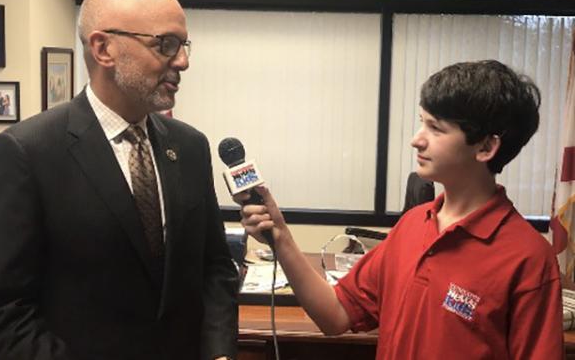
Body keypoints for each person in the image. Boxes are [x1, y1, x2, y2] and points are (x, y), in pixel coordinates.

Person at [0, 0, 238, 360]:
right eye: (166, 44)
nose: (182, 61)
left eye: (184, 45)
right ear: (104, 48)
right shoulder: (26, 153)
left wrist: (219, 353)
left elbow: (215, 267)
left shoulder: (191, 147)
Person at [238, 60, 564, 359]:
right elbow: (335, 315)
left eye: (436, 128)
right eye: (422, 123)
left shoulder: (528, 259)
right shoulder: (412, 226)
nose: (416, 140)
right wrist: (280, 236)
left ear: (486, 147)